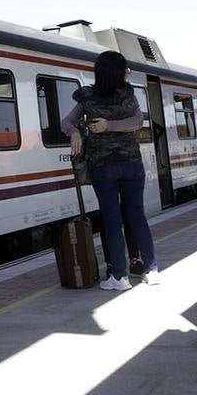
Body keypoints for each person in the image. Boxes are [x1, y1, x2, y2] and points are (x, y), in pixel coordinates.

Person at [62, 50, 158, 290]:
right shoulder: (129, 96)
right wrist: (79, 132)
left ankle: (119, 277)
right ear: (117, 72)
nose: (127, 73)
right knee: (137, 217)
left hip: (103, 168)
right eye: (125, 69)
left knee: (112, 220)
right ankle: (151, 269)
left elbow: (66, 122)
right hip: (131, 165)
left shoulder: (87, 97)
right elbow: (138, 122)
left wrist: (89, 129)